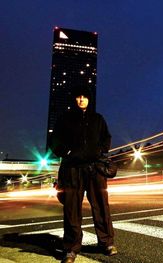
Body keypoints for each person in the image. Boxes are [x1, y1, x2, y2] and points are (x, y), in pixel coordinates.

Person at [51, 86, 117, 263]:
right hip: (72, 169)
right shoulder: (64, 119)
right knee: (72, 209)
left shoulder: (97, 119)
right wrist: (68, 152)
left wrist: (101, 150)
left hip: (95, 168)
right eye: (78, 96)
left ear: (89, 99)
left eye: (84, 97)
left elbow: (106, 137)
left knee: (101, 206)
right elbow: (54, 140)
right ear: (74, 99)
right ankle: (71, 248)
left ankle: (106, 243)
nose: (81, 99)